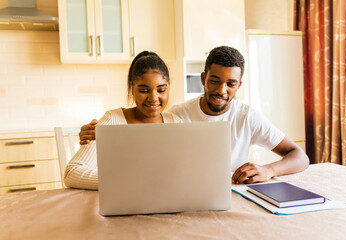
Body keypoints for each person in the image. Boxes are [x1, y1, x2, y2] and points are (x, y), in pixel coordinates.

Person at [79, 46, 309, 185]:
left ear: (239, 85)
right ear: (202, 79)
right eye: (215, 81)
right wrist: (102, 134)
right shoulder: (176, 116)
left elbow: (301, 157)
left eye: (231, 84)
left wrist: (269, 170)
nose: (221, 90)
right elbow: (145, 144)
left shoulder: (248, 116)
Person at [64, 51, 181, 190]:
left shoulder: (176, 123)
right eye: (144, 91)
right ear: (133, 89)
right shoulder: (113, 120)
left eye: (161, 90)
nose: (153, 98)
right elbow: (71, 173)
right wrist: (122, 181)